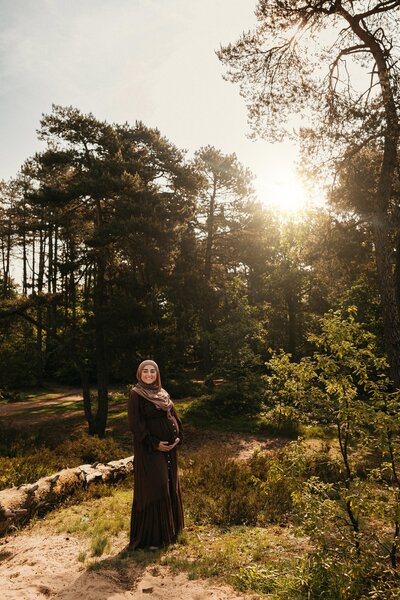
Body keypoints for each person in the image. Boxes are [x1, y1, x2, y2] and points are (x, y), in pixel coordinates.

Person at [128, 359, 184, 550]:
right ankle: (151, 538)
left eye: (153, 371)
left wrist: (178, 436)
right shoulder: (136, 394)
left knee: (170, 483)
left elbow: (173, 416)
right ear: (139, 374)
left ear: (157, 373)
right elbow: (136, 426)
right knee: (157, 486)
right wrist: (155, 444)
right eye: (146, 371)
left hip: (170, 449)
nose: (149, 374)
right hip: (150, 450)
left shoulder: (162, 393)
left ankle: (171, 531)